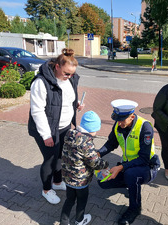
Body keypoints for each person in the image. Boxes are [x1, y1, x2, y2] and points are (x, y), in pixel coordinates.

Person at [28, 48, 84, 204]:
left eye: (72, 74)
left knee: (61, 156)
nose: (69, 77)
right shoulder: (41, 82)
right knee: (50, 159)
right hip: (47, 128)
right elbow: (37, 110)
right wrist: (46, 135)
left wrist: (76, 104)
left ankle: (58, 182)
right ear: (57, 67)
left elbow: (66, 98)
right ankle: (46, 189)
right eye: (66, 73)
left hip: (65, 125)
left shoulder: (70, 79)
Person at [97, 99, 160, 225]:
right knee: (102, 181)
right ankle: (131, 184)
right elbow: (111, 143)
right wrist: (97, 154)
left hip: (148, 167)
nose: (119, 123)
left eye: (122, 120)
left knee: (131, 174)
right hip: (127, 165)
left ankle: (135, 208)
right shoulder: (118, 124)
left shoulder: (145, 127)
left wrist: (120, 168)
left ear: (132, 116)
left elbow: (144, 158)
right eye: (117, 119)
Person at [60, 111, 109, 225]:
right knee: (82, 200)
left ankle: (64, 222)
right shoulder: (86, 142)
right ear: (92, 129)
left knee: (70, 199)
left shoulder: (69, 134)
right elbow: (94, 163)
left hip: (68, 177)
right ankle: (79, 220)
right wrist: (105, 164)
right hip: (81, 181)